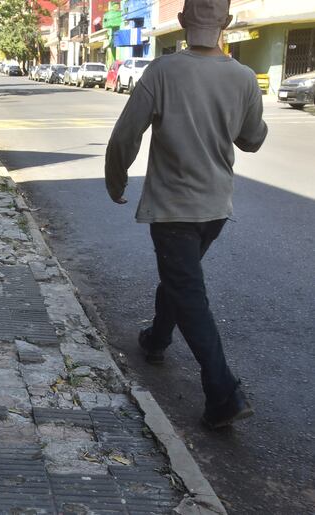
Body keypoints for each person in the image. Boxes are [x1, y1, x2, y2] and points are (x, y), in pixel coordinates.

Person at [104, 0, 268, 429]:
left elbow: (127, 133)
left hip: (174, 208)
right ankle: (156, 339)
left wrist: (115, 179)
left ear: (181, 21)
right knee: (182, 278)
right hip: (215, 207)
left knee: (187, 290)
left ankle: (222, 393)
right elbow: (252, 141)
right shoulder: (245, 77)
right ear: (226, 24)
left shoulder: (162, 71)